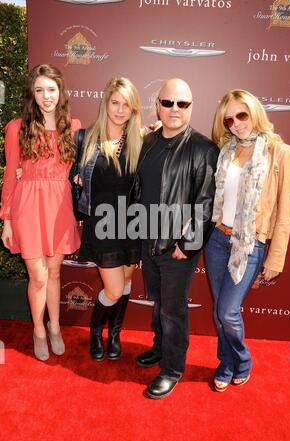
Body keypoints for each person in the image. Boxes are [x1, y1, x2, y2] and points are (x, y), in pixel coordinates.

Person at [204, 89, 290, 392]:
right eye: (229, 119)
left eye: (241, 114)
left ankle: (241, 361)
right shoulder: (226, 149)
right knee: (220, 310)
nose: (236, 123)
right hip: (218, 239)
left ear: (255, 110)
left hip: (251, 243)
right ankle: (226, 363)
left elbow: (285, 211)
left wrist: (276, 258)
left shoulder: (280, 152)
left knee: (228, 312)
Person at [135, 78, 219, 399]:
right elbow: (137, 189)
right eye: (168, 102)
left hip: (178, 248)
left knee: (173, 310)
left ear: (191, 106)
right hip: (147, 238)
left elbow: (207, 202)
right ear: (157, 105)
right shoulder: (147, 143)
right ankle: (159, 348)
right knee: (159, 303)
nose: (174, 109)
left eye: (181, 104)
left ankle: (172, 368)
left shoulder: (203, 148)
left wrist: (189, 244)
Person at [0, 64, 81, 361]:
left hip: (59, 206)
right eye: (39, 90)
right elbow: (11, 174)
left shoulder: (73, 127)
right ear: (32, 95)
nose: (46, 96)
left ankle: (55, 326)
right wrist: (6, 219)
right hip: (28, 206)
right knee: (38, 276)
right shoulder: (16, 128)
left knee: (55, 271)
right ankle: (38, 330)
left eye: (51, 89)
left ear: (60, 92)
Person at [75, 77, 143, 361]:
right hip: (102, 224)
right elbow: (66, 171)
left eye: (126, 105)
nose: (119, 110)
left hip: (132, 223)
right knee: (113, 289)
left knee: (126, 283)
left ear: (134, 109)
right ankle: (95, 330)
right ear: (106, 103)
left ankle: (114, 333)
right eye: (115, 103)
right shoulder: (86, 138)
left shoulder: (142, 142)